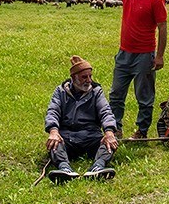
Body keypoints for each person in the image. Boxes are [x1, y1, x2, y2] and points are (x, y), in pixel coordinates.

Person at [67, 0, 168, 140]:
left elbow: (162, 28)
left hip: (145, 55)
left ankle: (142, 132)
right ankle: (114, 128)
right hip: (124, 54)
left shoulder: (156, 0)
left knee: (144, 97)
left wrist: (159, 56)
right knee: (116, 94)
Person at [44, 55, 120, 183]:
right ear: (74, 78)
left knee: (109, 143)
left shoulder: (96, 92)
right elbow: (53, 111)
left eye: (90, 76)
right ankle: (64, 169)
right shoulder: (60, 92)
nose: (89, 80)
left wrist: (109, 132)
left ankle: (98, 168)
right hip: (67, 136)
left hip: (91, 135)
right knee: (55, 144)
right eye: (84, 77)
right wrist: (53, 131)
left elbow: (105, 111)